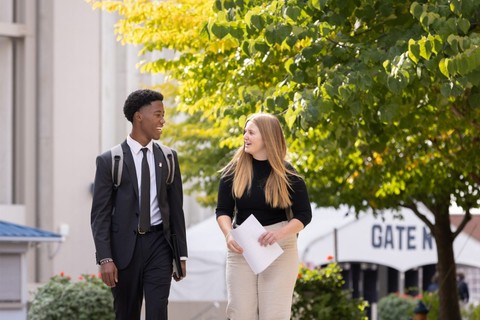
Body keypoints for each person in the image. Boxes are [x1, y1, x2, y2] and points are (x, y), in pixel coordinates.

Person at [90, 89, 187, 320]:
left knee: (157, 313)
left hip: (159, 247)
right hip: (124, 251)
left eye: (163, 115)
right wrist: (105, 258)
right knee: (126, 314)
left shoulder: (169, 158)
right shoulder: (110, 161)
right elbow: (100, 216)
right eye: (158, 114)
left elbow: (176, 210)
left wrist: (181, 255)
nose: (162, 120)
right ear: (139, 116)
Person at [215, 113, 312, 320]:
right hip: (242, 247)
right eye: (245, 132)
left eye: (251, 132)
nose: (245, 136)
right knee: (240, 313)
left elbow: (304, 215)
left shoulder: (288, 174)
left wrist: (279, 234)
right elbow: (222, 210)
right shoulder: (233, 171)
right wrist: (228, 235)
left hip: (280, 248)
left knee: (274, 314)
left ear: (267, 137)